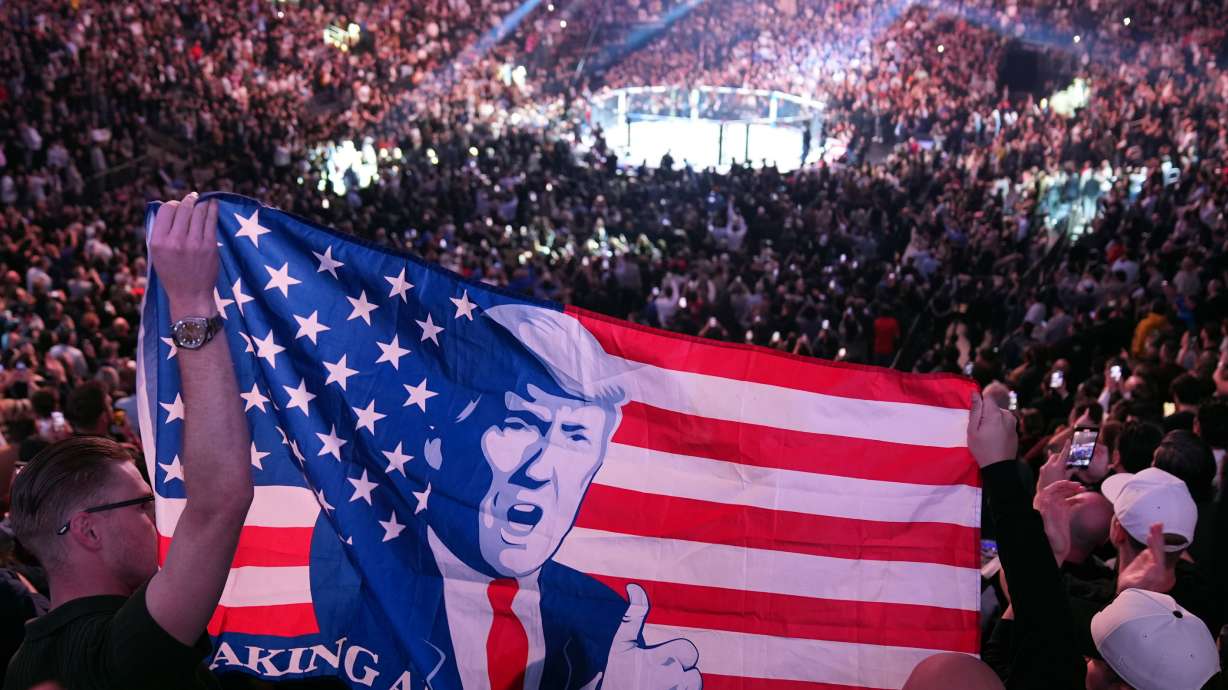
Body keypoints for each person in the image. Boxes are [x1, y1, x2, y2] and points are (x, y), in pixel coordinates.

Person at [3, 193, 253, 690]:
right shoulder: (115, 651)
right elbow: (219, 501)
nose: (159, 514)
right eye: (143, 503)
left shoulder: (25, 663)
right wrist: (190, 302)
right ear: (88, 531)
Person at [393, 303, 700, 690]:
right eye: (519, 424)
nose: (539, 470)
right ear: (437, 441)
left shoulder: (606, 626)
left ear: (599, 459)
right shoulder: (362, 583)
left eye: (576, 436)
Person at [968, 393, 1223, 689]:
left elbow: (1030, 596)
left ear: (1116, 532)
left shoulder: (1081, 607)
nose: (1088, 663)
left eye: (1099, 658)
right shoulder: (1207, 602)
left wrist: (1044, 529)